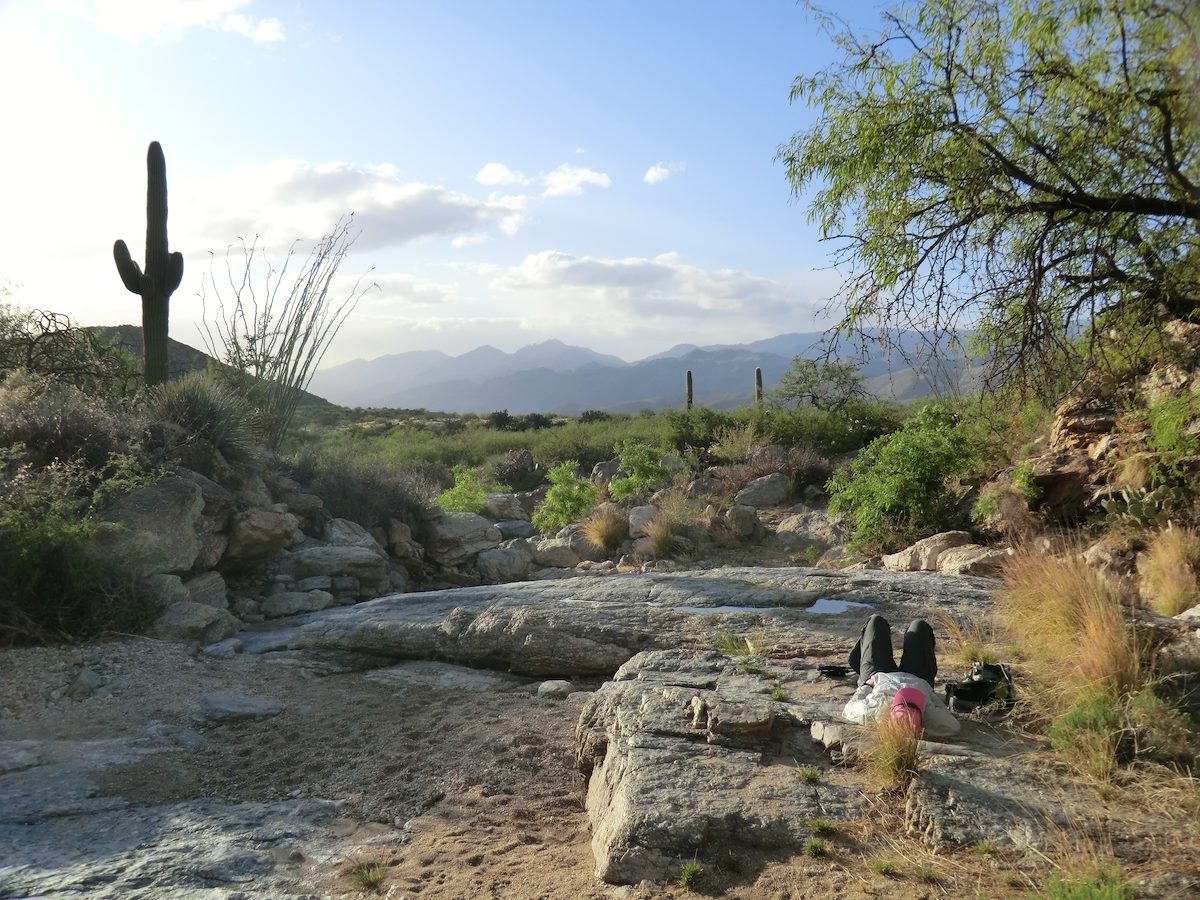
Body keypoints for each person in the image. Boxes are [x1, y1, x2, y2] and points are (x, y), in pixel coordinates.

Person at [841, 615, 960, 738]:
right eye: (911, 705)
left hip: (878, 674)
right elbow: (953, 724)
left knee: (876, 622)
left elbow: (849, 708)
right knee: (919, 626)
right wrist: (930, 694)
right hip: (918, 676)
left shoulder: (873, 713)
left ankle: (858, 661)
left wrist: (867, 685)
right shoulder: (932, 719)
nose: (906, 703)